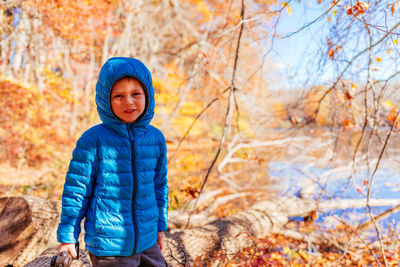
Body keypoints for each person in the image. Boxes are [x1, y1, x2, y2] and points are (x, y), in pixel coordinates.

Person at [56, 57, 168, 267]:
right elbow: (76, 192)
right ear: (106, 100)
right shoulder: (93, 140)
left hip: (147, 240)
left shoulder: (155, 139)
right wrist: (67, 237)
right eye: (119, 96)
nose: (129, 102)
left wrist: (160, 227)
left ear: (148, 96)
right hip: (109, 246)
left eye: (136, 94)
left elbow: (159, 186)